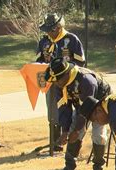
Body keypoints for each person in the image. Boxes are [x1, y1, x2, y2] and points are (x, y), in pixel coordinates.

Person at [45, 57, 111, 170]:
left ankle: (98, 168)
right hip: (81, 105)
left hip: (100, 105)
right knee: (72, 132)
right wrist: (65, 131)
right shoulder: (60, 84)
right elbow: (64, 108)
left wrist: (77, 130)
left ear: (66, 74)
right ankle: (69, 168)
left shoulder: (86, 81)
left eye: (58, 80)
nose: (56, 83)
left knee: (98, 135)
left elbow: (87, 109)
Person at [37, 13, 85, 153]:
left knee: (69, 110)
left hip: (69, 83)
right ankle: (55, 143)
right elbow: (39, 60)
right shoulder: (44, 42)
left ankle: (71, 139)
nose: (48, 33)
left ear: (58, 27)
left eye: (50, 30)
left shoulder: (71, 40)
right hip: (50, 84)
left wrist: (66, 70)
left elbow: (81, 62)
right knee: (52, 112)